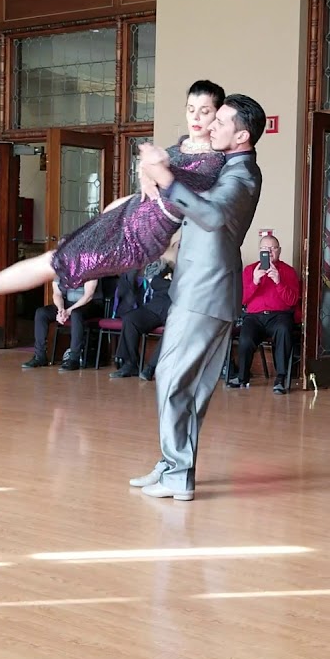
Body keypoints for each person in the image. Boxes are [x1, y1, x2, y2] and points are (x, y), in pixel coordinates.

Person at [0, 80, 228, 318]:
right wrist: (144, 172)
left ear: (217, 113)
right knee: (56, 256)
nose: (196, 118)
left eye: (205, 111)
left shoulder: (212, 162)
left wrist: (153, 165)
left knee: (54, 262)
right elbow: (148, 182)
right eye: (191, 109)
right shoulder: (180, 146)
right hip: (123, 216)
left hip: (140, 238)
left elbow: (173, 184)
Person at [129, 93, 266, 501]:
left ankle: (177, 472)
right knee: (185, 385)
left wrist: (167, 179)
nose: (210, 126)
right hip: (201, 290)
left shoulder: (243, 175)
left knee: (172, 379)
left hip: (206, 292)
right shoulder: (227, 166)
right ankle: (174, 466)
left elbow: (210, 216)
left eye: (221, 122)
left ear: (242, 135)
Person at [228, 234, 300, 394]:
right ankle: (242, 377)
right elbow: (242, 300)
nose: (269, 252)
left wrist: (278, 282)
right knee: (246, 337)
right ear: (260, 251)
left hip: (279, 316)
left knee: (283, 330)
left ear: (279, 251)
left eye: (272, 248)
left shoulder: (288, 271)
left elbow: (292, 301)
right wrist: (254, 281)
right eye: (265, 249)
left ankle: (281, 378)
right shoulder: (249, 270)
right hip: (254, 317)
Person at [110, 257, 174, 380]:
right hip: (154, 307)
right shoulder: (167, 268)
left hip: (174, 310)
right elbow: (155, 282)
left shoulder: (190, 272)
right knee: (130, 319)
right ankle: (131, 364)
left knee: (172, 330)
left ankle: (150, 367)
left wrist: (167, 285)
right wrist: (170, 285)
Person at [21, 278, 101, 372]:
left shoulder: (89, 268)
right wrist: (61, 310)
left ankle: (74, 358)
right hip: (68, 305)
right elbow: (57, 294)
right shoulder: (61, 269)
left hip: (89, 305)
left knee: (76, 313)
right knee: (41, 313)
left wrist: (69, 311)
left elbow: (88, 296)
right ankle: (40, 356)